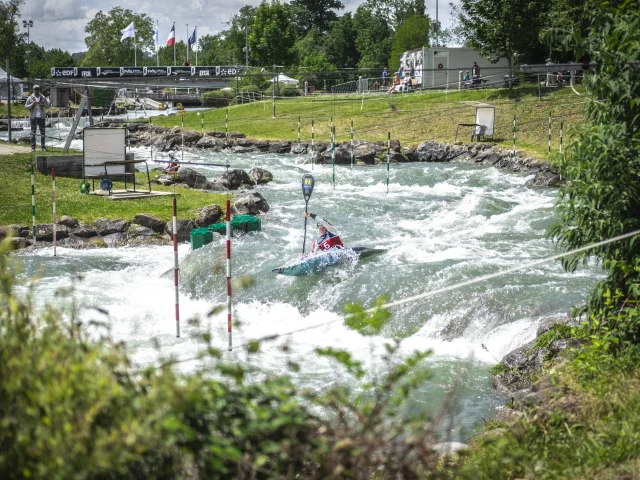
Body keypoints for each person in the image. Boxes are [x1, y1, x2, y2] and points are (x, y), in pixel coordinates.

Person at [25, 84, 50, 152]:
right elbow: (26, 106)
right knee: (33, 133)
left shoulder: (43, 97)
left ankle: (43, 147)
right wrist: (32, 104)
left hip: (41, 117)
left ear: (39, 89)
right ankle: (33, 147)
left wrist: (43, 104)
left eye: (38, 89)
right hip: (33, 117)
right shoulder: (30, 97)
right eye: (35, 89)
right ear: (33, 90)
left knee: (43, 133)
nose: (37, 90)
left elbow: (47, 106)